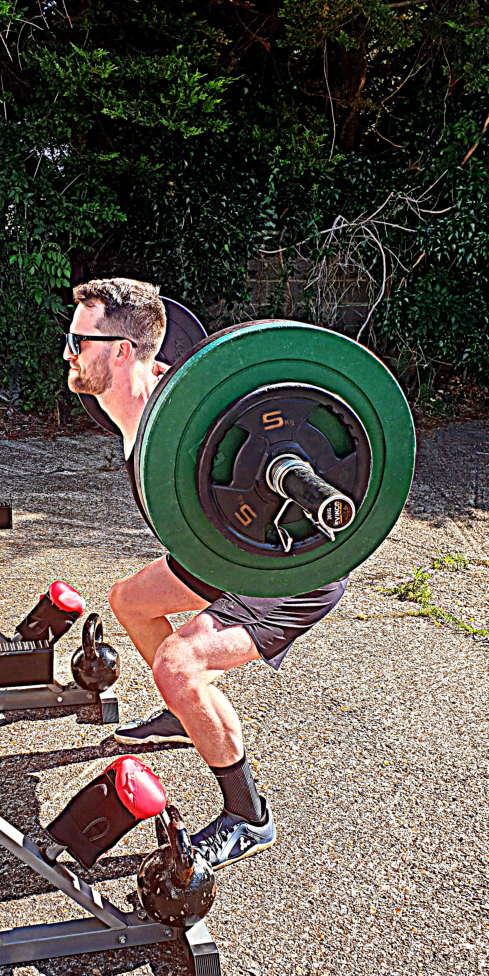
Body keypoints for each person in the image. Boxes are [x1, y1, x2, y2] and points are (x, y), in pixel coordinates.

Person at [64, 277, 347, 870]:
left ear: (122, 351)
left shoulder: (191, 415)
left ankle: (248, 816)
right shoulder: (134, 413)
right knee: (129, 601)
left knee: (178, 663)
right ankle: (184, 715)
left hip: (286, 565)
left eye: (79, 341)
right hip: (222, 551)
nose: (68, 353)